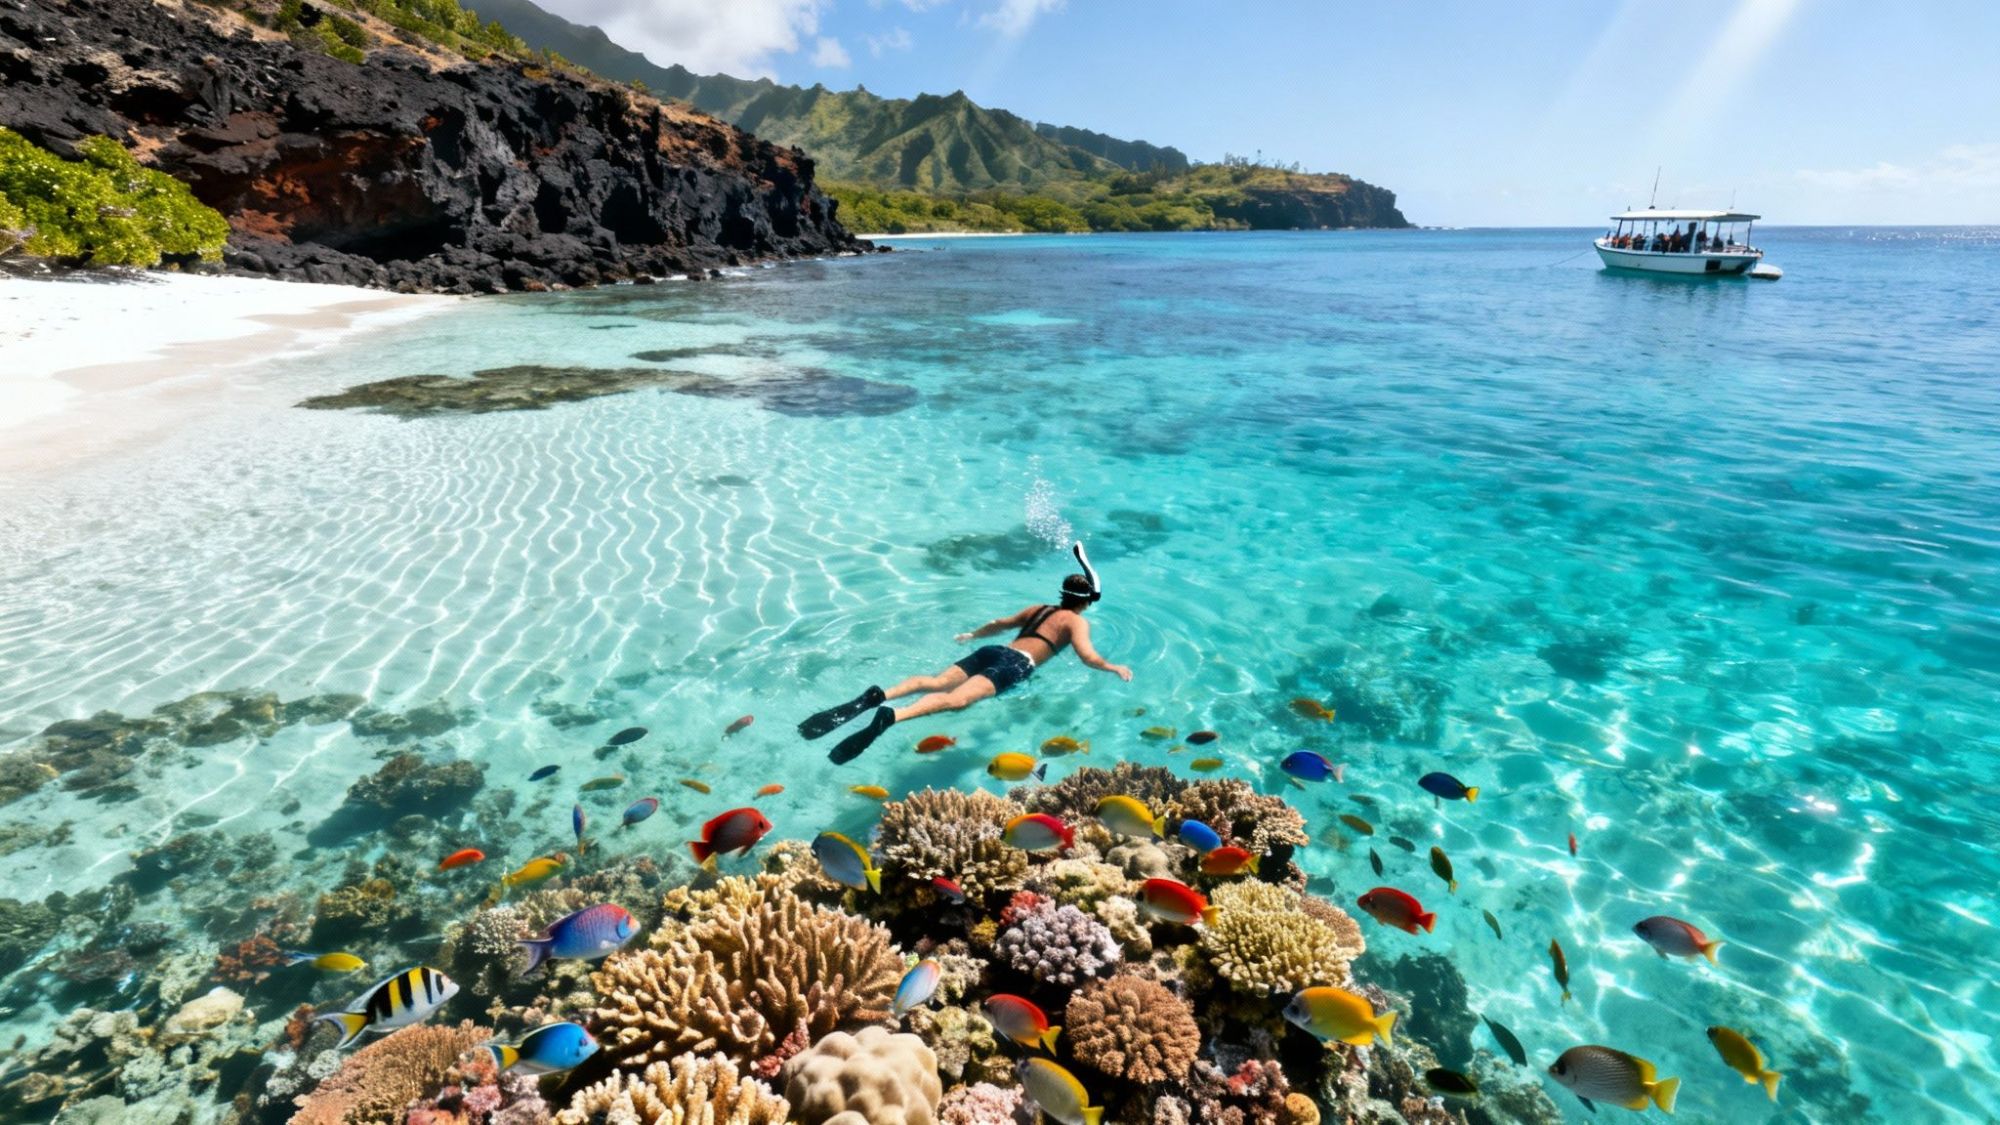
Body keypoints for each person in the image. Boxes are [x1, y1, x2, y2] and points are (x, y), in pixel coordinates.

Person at [799, 543, 1133, 763]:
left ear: (1063, 593)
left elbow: (1000, 623)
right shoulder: (1075, 622)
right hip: (1016, 664)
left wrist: (972, 634)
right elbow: (1088, 657)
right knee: (957, 700)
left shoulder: (1039, 608)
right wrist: (1112, 666)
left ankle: (881, 694)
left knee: (935, 681)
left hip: (993, 649)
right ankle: (893, 716)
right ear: (1086, 601)